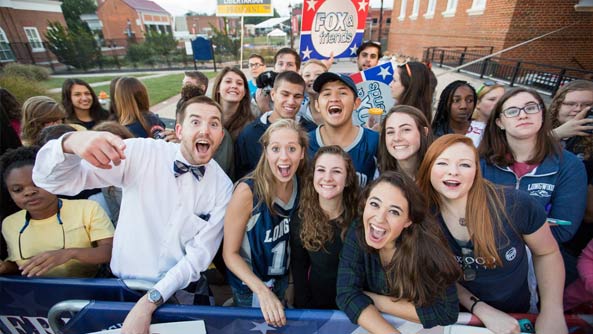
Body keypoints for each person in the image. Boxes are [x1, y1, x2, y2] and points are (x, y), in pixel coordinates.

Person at [33, 95, 233, 334]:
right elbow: (54, 181)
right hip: (123, 287)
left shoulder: (223, 186)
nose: (205, 130)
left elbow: (199, 255)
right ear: (179, 130)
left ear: (221, 135)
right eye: (196, 122)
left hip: (183, 291)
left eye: (214, 124)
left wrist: (149, 303)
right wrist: (70, 142)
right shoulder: (142, 152)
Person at [417, 134, 567, 334]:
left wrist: (552, 311)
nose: (453, 172)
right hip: (456, 317)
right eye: (442, 163)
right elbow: (438, 276)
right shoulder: (420, 216)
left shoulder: (516, 205)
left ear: (477, 171)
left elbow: (547, 253)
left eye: (465, 165)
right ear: (428, 169)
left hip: (518, 312)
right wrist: (482, 310)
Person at [479, 88, 587, 284]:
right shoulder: (481, 162)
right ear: (499, 122)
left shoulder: (569, 165)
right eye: (512, 111)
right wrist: (535, 223)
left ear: (542, 114)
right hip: (484, 256)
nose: (522, 114)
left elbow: (564, 228)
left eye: (530, 108)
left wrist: (495, 222)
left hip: (539, 263)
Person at [336, 172, 460, 332]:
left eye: (394, 212)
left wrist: (372, 299)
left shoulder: (428, 246)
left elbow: (446, 312)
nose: (379, 218)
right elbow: (346, 294)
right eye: (374, 204)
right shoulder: (358, 231)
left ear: (408, 220)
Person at [223, 119, 307, 327]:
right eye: (276, 148)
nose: (284, 157)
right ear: (266, 151)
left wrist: (290, 283)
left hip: (281, 281)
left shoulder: (302, 183)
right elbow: (230, 254)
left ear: (302, 152)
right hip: (249, 286)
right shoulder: (248, 191)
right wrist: (261, 291)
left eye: (292, 148)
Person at [0, 146, 114, 277]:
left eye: (37, 183)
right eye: (18, 189)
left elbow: (110, 252)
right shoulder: (10, 223)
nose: (29, 192)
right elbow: (21, 265)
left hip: (87, 291)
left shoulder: (88, 208)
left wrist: (70, 253)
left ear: (53, 180)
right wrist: (6, 267)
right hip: (37, 293)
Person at [291, 145, 358, 309]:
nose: (327, 178)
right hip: (317, 308)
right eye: (321, 170)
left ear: (348, 179)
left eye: (336, 171)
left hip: (357, 307)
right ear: (313, 175)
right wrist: (305, 310)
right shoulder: (301, 218)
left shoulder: (361, 218)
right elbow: (299, 268)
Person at [309, 72, 379, 187]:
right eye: (327, 94)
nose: (334, 99)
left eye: (342, 93)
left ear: (356, 103)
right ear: (317, 105)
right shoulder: (305, 143)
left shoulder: (375, 142)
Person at [549, 80, 593, 260]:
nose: (578, 109)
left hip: (572, 240)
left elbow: (589, 212)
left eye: (587, 105)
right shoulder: (540, 131)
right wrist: (557, 134)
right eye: (571, 104)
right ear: (558, 106)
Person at [235, 71, 307, 179]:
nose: (291, 101)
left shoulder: (309, 130)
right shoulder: (249, 134)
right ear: (273, 94)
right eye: (285, 94)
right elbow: (241, 176)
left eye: (297, 96)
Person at [377, 105, 433, 180]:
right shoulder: (378, 175)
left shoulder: (439, 174)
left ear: (424, 132)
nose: (397, 138)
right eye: (390, 132)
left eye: (406, 130)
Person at [211, 67, 255, 140]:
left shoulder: (250, 127)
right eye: (228, 81)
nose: (234, 86)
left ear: (244, 92)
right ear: (218, 88)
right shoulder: (205, 117)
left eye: (239, 83)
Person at [253, 48, 301, 114]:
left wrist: (265, 108)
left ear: (297, 70)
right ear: (274, 67)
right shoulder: (263, 91)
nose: (284, 68)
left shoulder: (304, 95)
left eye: (290, 64)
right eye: (280, 64)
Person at [466, 82, 505, 147]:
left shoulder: (506, 131)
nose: (498, 104)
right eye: (492, 99)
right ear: (478, 103)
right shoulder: (461, 125)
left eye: (502, 100)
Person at [298, 59, 328, 126]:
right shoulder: (299, 112)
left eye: (318, 75)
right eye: (307, 75)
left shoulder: (338, 106)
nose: (312, 78)